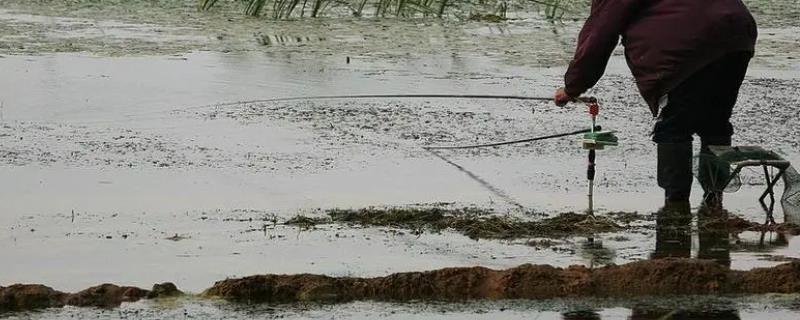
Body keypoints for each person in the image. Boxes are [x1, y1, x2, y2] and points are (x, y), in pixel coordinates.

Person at [554, 0, 758, 205]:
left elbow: (599, 35)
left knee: (675, 127)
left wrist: (572, 88)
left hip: (685, 41)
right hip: (737, 32)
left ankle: (676, 206)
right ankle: (714, 201)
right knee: (715, 120)